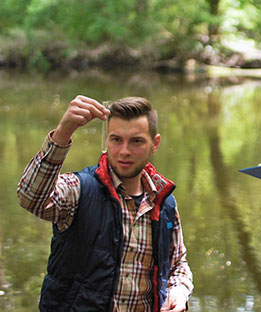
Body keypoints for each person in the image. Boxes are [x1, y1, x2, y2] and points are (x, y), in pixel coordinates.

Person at [17, 95, 193, 312]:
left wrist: (178, 291)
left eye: (136, 141)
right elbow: (30, 198)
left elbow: (178, 266)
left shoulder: (164, 202)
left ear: (154, 143)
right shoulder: (79, 189)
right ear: (107, 140)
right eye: (116, 139)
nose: (124, 151)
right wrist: (63, 133)